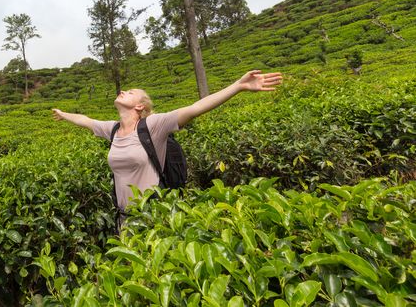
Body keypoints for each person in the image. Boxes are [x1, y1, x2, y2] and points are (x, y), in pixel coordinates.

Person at [52, 70, 283, 227]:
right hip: (123, 220)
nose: (123, 91)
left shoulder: (153, 125)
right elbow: (85, 120)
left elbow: (196, 107)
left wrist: (238, 86)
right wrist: (64, 115)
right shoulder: (112, 130)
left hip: (153, 217)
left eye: (130, 92)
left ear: (140, 105)